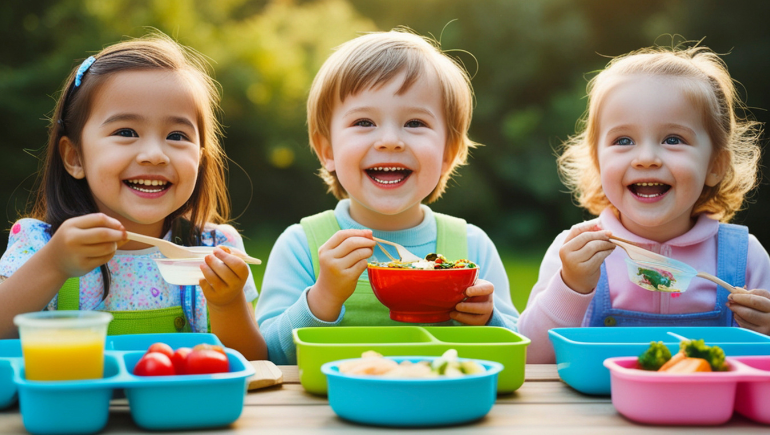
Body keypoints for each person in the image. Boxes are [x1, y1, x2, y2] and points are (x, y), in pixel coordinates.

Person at [255, 29, 519, 364]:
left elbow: (514, 345)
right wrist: (323, 296)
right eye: (364, 122)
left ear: (448, 153)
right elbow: (270, 355)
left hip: (443, 410)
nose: (390, 140)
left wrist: (488, 319)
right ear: (327, 150)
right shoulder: (302, 247)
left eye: (414, 122)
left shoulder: (471, 246)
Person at [0, 33, 267, 360]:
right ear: (75, 157)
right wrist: (54, 264)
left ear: (199, 157)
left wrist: (227, 302)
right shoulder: (40, 244)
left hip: (181, 411)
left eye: (176, 135)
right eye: (126, 132)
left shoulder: (213, 249)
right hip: (76, 410)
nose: (154, 155)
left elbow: (254, 363)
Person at [518, 44, 770, 363]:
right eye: (623, 141)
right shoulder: (573, 251)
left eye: (673, 139)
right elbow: (531, 360)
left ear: (715, 165)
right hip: (595, 413)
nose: (647, 158)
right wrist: (570, 287)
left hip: (707, 412)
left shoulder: (745, 259)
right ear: (597, 162)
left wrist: (765, 332)